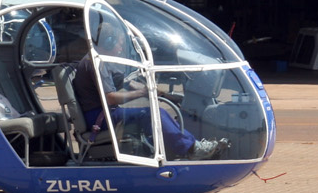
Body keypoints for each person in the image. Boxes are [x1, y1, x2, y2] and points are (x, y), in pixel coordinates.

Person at [68, 30, 228, 161]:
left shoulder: (99, 60)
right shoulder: (95, 63)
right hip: (99, 118)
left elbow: (125, 82)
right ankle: (192, 149)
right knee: (153, 113)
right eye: (119, 44)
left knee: (156, 112)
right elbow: (110, 97)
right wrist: (142, 93)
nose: (120, 49)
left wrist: (157, 92)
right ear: (108, 42)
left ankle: (188, 145)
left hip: (105, 114)